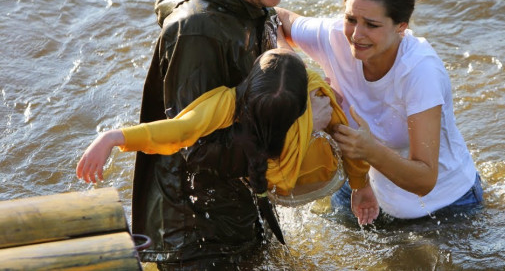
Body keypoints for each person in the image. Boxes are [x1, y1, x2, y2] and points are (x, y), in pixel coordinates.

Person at [130, 0, 307, 269]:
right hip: (194, 236)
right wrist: (295, 130)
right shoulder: (197, 30)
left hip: (236, 209)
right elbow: (195, 149)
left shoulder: (253, 2)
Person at [76, 49, 370, 242]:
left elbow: (180, 129)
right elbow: (351, 145)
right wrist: (360, 186)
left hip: (276, 187)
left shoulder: (233, 101)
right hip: (319, 179)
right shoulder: (315, 94)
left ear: (251, 80)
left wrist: (114, 137)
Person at [276, 0, 483, 224]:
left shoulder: (420, 71)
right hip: (364, 186)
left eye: (371, 25)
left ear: (401, 27)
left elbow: (425, 179)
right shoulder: (335, 37)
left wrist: (369, 150)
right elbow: (273, 17)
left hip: (444, 206)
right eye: (351, 19)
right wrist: (297, 75)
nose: (356, 35)